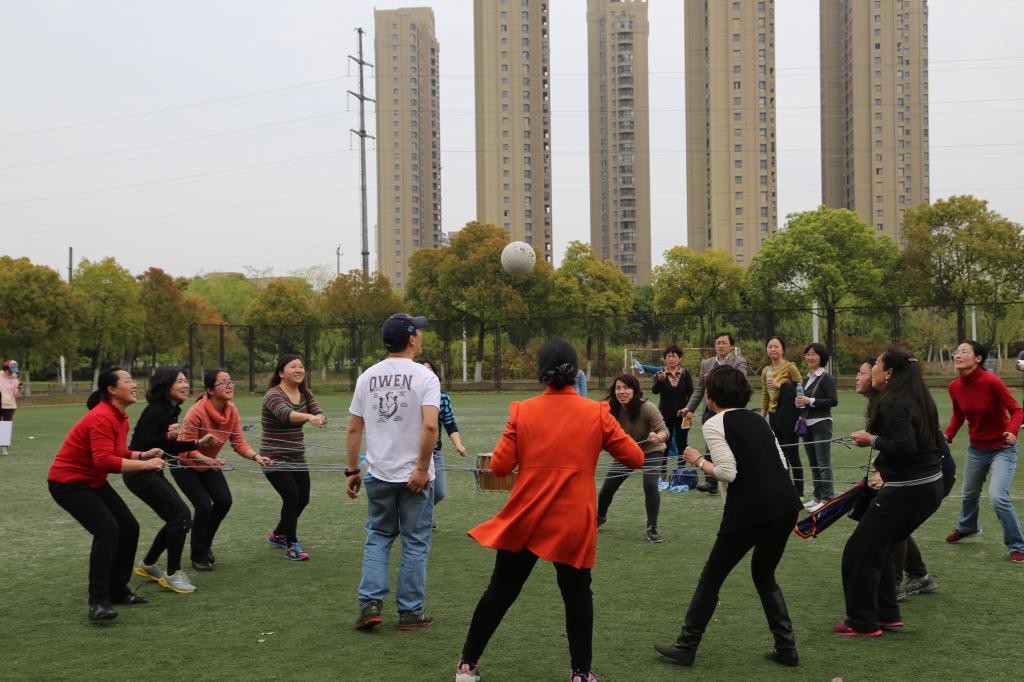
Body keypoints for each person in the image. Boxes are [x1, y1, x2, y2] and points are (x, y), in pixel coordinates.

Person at [453, 339, 643, 682]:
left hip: (526, 517)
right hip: (572, 522)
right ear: (576, 372)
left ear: (541, 373)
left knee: (500, 592)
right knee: (577, 596)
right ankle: (581, 673)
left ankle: (467, 665)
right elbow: (635, 458)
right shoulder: (597, 412)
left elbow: (499, 467)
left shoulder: (522, 410)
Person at [655, 366, 802, 668]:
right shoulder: (757, 419)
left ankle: (686, 646)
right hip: (786, 506)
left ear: (712, 395)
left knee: (711, 578)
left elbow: (727, 472)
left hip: (750, 512)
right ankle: (786, 648)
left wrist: (697, 459)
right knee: (764, 574)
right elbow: (782, 463)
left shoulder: (715, 422)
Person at [838, 347, 944, 636]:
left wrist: (871, 440)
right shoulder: (917, 396)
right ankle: (887, 615)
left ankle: (862, 622)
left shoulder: (894, 401)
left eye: (876, 365)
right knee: (880, 548)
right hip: (927, 486)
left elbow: (905, 445)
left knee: (858, 553)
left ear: (888, 373)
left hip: (909, 490)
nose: (871, 369)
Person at [47, 368, 165, 622]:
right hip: (68, 483)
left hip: (91, 482)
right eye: (128, 381)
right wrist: (146, 465)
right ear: (111, 390)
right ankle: (98, 602)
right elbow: (103, 461)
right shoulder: (102, 416)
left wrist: (141, 454)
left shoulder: (118, 416)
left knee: (129, 527)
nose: (134, 385)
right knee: (107, 530)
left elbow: (117, 451)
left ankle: (118, 591)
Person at [347, 313, 440, 631]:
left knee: (378, 537)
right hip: (415, 477)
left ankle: (370, 605)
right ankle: (410, 612)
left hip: (379, 473)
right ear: (412, 339)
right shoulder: (425, 377)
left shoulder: (367, 377)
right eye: (419, 332)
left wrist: (351, 470)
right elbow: (430, 426)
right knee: (415, 542)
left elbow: (354, 428)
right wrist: (422, 469)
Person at [126, 367, 215, 594]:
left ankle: (148, 564)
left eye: (186, 380)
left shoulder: (171, 409)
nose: (185, 385)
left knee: (176, 517)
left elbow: (169, 445)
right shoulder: (156, 410)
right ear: (166, 386)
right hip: (139, 472)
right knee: (181, 516)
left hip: (152, 470)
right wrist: (167, 436)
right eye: (179, 381)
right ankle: (173, 574)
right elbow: (141, 443)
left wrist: (197, 444)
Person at [175, 369, 271, 570]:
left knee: (224, 501)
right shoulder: (196, 411)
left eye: (230, 381)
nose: (229, 385)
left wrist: (256, 456)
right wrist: (208, 461)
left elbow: (238, 442)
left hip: (209, 463)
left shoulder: (231, 410)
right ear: (210, 390)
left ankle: (205, 544)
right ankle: (198, 555)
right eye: (223, 382)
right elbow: (185, 450)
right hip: (185, 465)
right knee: (203, 506)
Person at [943, 340, 1024, 563]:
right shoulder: (954, 387)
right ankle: (967, 527)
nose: (957, 355)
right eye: (956, 352)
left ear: (978, 358)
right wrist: (948, 435)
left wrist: (1012, 431)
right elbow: (959, 415)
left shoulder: (992, 382)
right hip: (976, 449)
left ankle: (1017, 545)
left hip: (1003, 449)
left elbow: (1017, 410)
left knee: (998, 497)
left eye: (964, 351)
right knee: (969, 494)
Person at [261, 354, 326, 561]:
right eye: (293, 366)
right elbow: (285, 414)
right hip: (273, 458)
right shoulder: (273, 394)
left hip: (297, 458)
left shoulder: (305, 393)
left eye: (301, 366)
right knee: (291, 496)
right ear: (281, 373)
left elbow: (320, 413)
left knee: (303, 498)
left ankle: (278, 534)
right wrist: (309, 417)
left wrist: (320, 417)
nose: (299, 370)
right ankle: (292, 545)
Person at [596, 373, 670, 543]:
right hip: (628, 451)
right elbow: (602, 434)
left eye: (626, 388)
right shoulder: (611, 409)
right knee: (607, 488)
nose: (621, 392)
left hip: (652, 451)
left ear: (635, 390)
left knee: (650, 485)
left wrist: (658, 437)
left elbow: (664, 431)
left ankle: (652, 528)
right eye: (618, 388)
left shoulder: (648, 407)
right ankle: (600, 517)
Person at [681, 332, 748, 494]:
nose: (720, 346)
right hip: (710, 410)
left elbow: (742, 381)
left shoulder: (739, 362)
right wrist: (689, 408)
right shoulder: (707, 363)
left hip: (731, 410)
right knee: (710, 444)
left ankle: (738, 475)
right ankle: (711, 482)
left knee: (733, 443)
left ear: (731, 346)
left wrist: (721, 376)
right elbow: (699, 389)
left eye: (724, 343)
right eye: (718, 343)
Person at [419, 359, 467, 517]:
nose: (427, 374)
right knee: (417, 489)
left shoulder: (443, 397)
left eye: (430, 371)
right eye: (422, 371)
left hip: (435, 452)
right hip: (413, 452)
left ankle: (422, 515)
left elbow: (450, 423)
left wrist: (458, 445)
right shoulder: (410, 396)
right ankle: (420, 518)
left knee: (439, 492)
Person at [760, 337, 804, 498]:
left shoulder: (790, 367)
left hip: (788, 416)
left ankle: (799, 492)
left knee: (792, 453)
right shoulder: (766, 371)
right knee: (780, 455)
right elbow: (765, 395)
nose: (773, 349)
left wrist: (781, 386)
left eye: (776, 346)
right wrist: (762, 417)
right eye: (770, 346)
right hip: (773, 416)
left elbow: (801, 388)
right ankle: (786, 490)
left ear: (783, 349)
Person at [797, 343, 838, 512]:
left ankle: (827, 499)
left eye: (814, 354)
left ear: (822, 357)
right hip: (806, 424)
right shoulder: (807, 378)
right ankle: (817, 497)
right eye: (807, 354)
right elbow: (804, 400)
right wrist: (800, 402)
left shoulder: (826, 377)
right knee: (813, 463)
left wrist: (810, 401)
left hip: (821, 423)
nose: (810, 357)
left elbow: (833, 400)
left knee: (823, 462)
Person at [651, 344, 693, 469]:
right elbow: (654, 391)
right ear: (664, 359)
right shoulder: (660, 374)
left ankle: (681, 472)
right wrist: (660, 380)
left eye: (674, 356)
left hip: (683, 415)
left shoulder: (685, 374)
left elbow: (691, 393)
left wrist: (690, 410)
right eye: (668, 356)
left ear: (679, 358)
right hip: (665, 415)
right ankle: (662, 472)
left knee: (682, 444)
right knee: (665, 444)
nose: (671, 359)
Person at [0, 359, 23, 455]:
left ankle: (4, 447)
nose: (12, 372)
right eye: (11, 369)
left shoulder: (15, 379)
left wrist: (19, 389)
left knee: (6, 426)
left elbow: (16, 395)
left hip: (10, 405)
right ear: (6, 368)